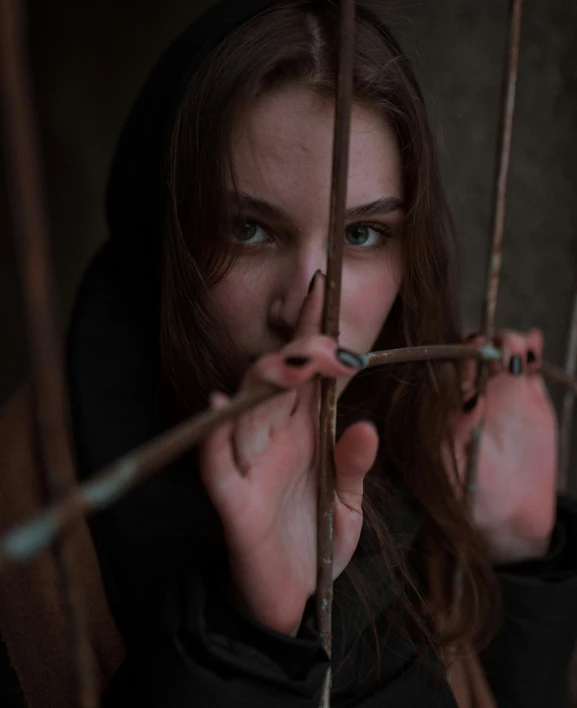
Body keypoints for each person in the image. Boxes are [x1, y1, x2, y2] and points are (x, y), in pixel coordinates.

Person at [1, 0, 576, 706]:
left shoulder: (410, 451)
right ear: (161, 234)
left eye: (362, 235)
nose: (310, 309)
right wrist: (248, 630)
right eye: (247, 229)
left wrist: (517, 563)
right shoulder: (28, 514)